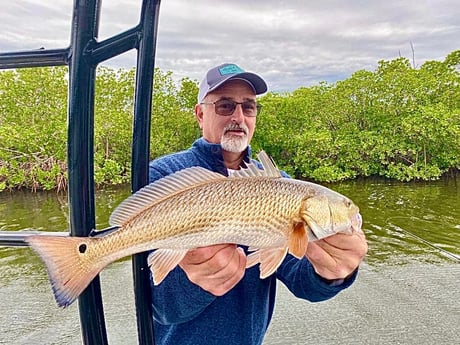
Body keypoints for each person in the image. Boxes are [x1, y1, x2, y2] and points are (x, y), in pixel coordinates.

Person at [148, 63, 368, 345]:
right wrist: (193, 282)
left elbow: (302, 281)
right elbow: (158, 305)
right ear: (201, 114)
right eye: (225, 106)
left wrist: (332, 273)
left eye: (249, 107)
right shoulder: (165, 175)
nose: (239, 117)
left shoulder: (283, 187)